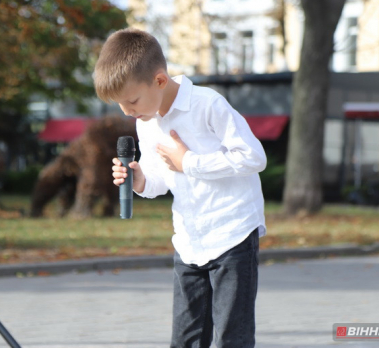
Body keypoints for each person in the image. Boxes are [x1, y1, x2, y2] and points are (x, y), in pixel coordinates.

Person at [93, 28, 267, 348]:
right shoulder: (146, 122)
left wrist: (189, 162)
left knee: (232, 338)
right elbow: (161, 176)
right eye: (120, 104)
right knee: (185, 340)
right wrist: (141, 180)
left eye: (132, 100)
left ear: (159, 80)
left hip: (232, 232)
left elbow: (253, 157)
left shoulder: (207, 104)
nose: (128, 111)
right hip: (189, 241)